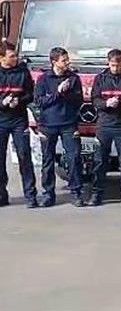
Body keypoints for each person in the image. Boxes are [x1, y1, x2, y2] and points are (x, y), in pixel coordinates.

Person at [34, 47, 84, 207]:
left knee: (74, 158)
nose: (67, 62)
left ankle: (76, 193)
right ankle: (48, 194)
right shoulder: (43, 79)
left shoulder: (74, 78)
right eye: (64, 60)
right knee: (47, 161)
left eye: (67, 59)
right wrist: (58, 92)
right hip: (48, 125)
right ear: (54, 62)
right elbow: (40, 102)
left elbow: (79, 100)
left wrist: (67, 93)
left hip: (69, 124)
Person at [92, 48, 121, 206]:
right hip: (104, 125)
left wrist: (120, 103)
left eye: (118, 65)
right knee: (100, 162)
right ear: (108, 63)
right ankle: (97, 194)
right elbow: (95, 99)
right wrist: (106, 104)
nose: (115, 68)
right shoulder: (100, 78)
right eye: (112, 65)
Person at [0, 41, 38, 208]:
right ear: (2, 59)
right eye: (12, 56)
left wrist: (18, 100)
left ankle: (30, 196)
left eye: (16, 55)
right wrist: (2, 102)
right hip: (1, 120)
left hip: (18, 120)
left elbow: (31, 94)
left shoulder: (23, 72)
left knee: (24, 156)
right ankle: (2, 195)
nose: (16, 58)